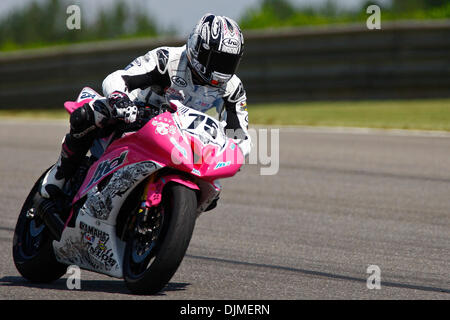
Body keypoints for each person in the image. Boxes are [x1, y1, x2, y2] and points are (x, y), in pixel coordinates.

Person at [39, 13, 251, 200]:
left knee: (211, 191)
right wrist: (120, 99)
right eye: (215, 60)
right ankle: (62, 172)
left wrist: (234, 153)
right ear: (197, 47)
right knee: (88, 114)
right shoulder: (167, 60)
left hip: (182, 137)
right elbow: (119, 78)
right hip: (135, 116)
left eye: (227, 63)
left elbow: (239, 134)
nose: (219, 70)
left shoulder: (233, 88)